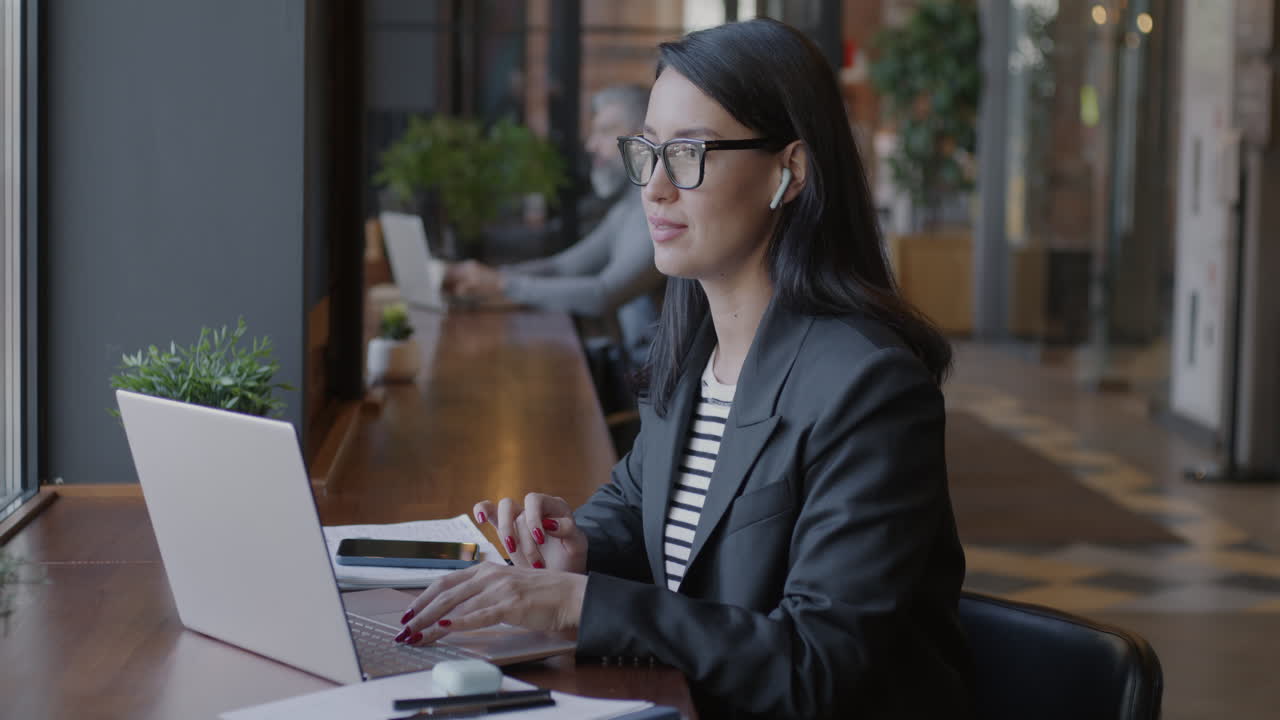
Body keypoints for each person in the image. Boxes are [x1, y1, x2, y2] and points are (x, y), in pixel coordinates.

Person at [396, 19, 973, 719]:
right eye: (647, 151)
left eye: (691, 152)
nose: (656, 188)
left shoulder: (868, 387)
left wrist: (585, 604)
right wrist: (575, 551)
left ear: (790, 171)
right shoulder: (696, 346)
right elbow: (638, 515)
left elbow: (820, 668)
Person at [444, 84, 665, 366]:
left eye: (605, 131)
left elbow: (603, 294)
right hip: (631, 373)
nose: (590, 145)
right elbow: (562, 266)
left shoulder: (657, 212)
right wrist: (484, 278)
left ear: (642, 138)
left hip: (652, 388)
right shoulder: (626, 209)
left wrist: (502, 284)